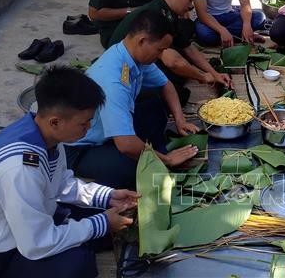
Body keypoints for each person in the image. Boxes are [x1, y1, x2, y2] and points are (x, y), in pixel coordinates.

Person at [0, 66, 138, 278]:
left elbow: (60, 184)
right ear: (55, 121)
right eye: (84, 122)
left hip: (32, 220)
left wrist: (107, 196)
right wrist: (102, 223)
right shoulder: (20, 169)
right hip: (3, 252)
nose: (88, 127)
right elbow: (37, 244)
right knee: (80, 265)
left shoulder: (44, 134)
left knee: (112, 201)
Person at [65, 10, 200, 190]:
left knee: (154, 108)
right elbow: (126, 144)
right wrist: (167, 159)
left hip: (108, 131)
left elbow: (165, 84)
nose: (161, 55)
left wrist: (180, 119)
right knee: (132, 169)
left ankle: (151, 150)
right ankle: (157, 155)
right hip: (80, 147)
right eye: (159, 49)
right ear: (142, 41)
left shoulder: (132, 57)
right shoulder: (113, 81)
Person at [108, 0, 232, 104]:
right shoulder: (155, 15)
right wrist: (202, 77)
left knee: (184, 54)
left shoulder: (167, 11)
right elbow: (172, 61)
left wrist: (214, 74)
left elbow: (187, 47)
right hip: (123, 70)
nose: (192, 6)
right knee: (174, 93)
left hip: (141, 61)